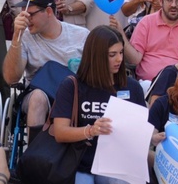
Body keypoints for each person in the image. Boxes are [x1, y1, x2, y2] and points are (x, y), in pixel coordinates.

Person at [52, 26, 146, 184]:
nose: (119, 59)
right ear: (96, 56)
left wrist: (151, 137)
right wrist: (91, 130)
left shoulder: (132, 87)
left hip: (116, 165)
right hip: (79, 163)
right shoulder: (72, 86)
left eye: (121, 52)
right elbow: (60, 132)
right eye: (112, 54)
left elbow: (140, 131)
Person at [3, 0, 89, 140]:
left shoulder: (81, 35)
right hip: (40, 94)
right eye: (23, 14)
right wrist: (16, 36)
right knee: (37, 97)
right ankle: (34, 156)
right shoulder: (25, 37)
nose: (25, 19)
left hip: (75, 96)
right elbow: (11, 78)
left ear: (49, 11)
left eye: (30, 14)